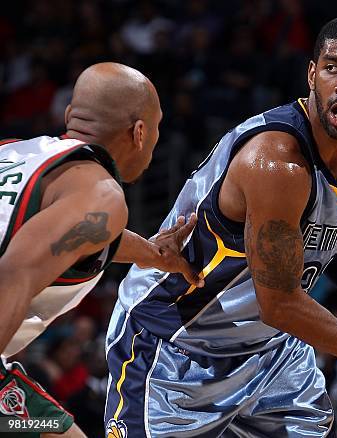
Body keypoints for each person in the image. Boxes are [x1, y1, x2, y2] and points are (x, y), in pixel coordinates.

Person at [105, 15, 337, 438]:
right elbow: (280, 303)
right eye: (332, 68)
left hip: (270, 350)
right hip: (176, 346)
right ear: (312, 75)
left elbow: (331, 230)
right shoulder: (277, 163)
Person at [0, 62, 202, 438]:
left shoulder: (15, 153)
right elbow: (14, 272)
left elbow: (72, 235)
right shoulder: (103, 194)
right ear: (140, 132)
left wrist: (154, 255)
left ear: (70, 116)